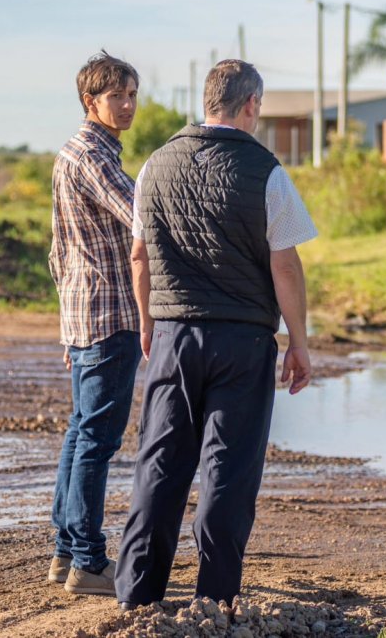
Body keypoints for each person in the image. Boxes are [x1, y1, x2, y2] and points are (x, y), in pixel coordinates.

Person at [115, 59, 316, 608]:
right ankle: (215, 601)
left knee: (159, 465)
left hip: (174, 337)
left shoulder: (155, 165)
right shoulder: (267, 171)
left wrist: (148, 325)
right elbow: (286, 266)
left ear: (207, 101)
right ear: (251, 104)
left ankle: (137, 599)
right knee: (228, 470)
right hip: (243, 342)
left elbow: (139, 258)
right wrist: (298, 341)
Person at [47, 51, 142, 596]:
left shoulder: (72, 153)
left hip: (86, 319)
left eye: (132, 94)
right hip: (110, 320)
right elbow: (143, 219)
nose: (127, 105)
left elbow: (58, 253)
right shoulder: (96, 158)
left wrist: (67, 326)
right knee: (96, 443)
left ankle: (65, 555)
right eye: (117, 96)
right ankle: (87, 560)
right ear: (91, 101)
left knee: (81, 435)